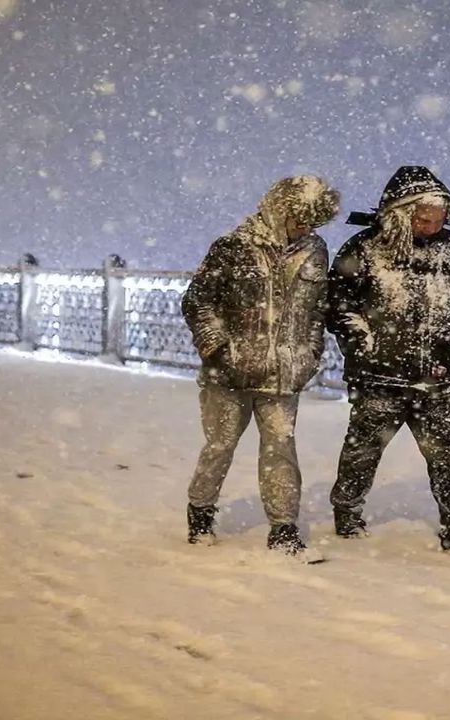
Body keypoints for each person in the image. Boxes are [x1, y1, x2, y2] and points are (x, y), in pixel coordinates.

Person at [327, 166, 450, 558]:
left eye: (438, 218)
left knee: (448, 456)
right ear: (401, 213)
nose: (431, 225)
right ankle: (347, 511)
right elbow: (339, 307)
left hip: (439, 379)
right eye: (423, 218)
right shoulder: (365, 249)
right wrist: (365, 346)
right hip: (379, 377)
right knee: (363, 451)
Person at [181, 175, 340, 555]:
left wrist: (309, 353)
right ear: (278, 210)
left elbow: (317, 310)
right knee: (219, 446)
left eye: (312, 223)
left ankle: (284, 528)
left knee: (281, 448)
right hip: (229, 375)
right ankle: (200, 513)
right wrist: (219, 350)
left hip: (284, 373)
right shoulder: (233, 247)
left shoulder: (315, 250)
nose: (305, 229)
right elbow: (198, 302)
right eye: (300, 220)